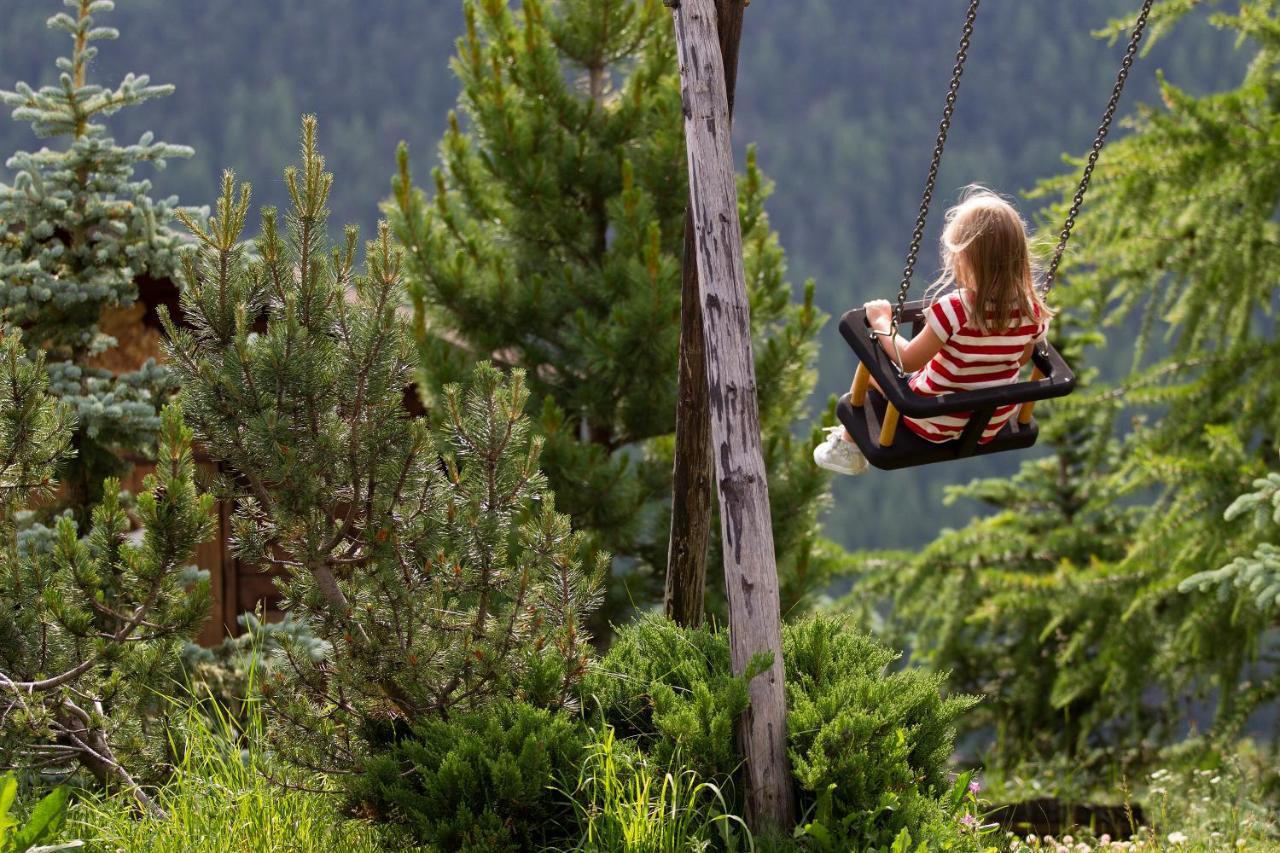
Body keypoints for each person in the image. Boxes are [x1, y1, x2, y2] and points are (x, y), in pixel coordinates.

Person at [814, 187, 1053, 475]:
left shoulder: (955, 308)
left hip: (931, 420)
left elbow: (908, 360)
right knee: (919, 374)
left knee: (874, 368)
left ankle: (846, 448)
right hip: (990, 423)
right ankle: (847, 442)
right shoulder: (1031, 309)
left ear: (963, 257)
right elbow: (1022, 356)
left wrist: (881, 322)